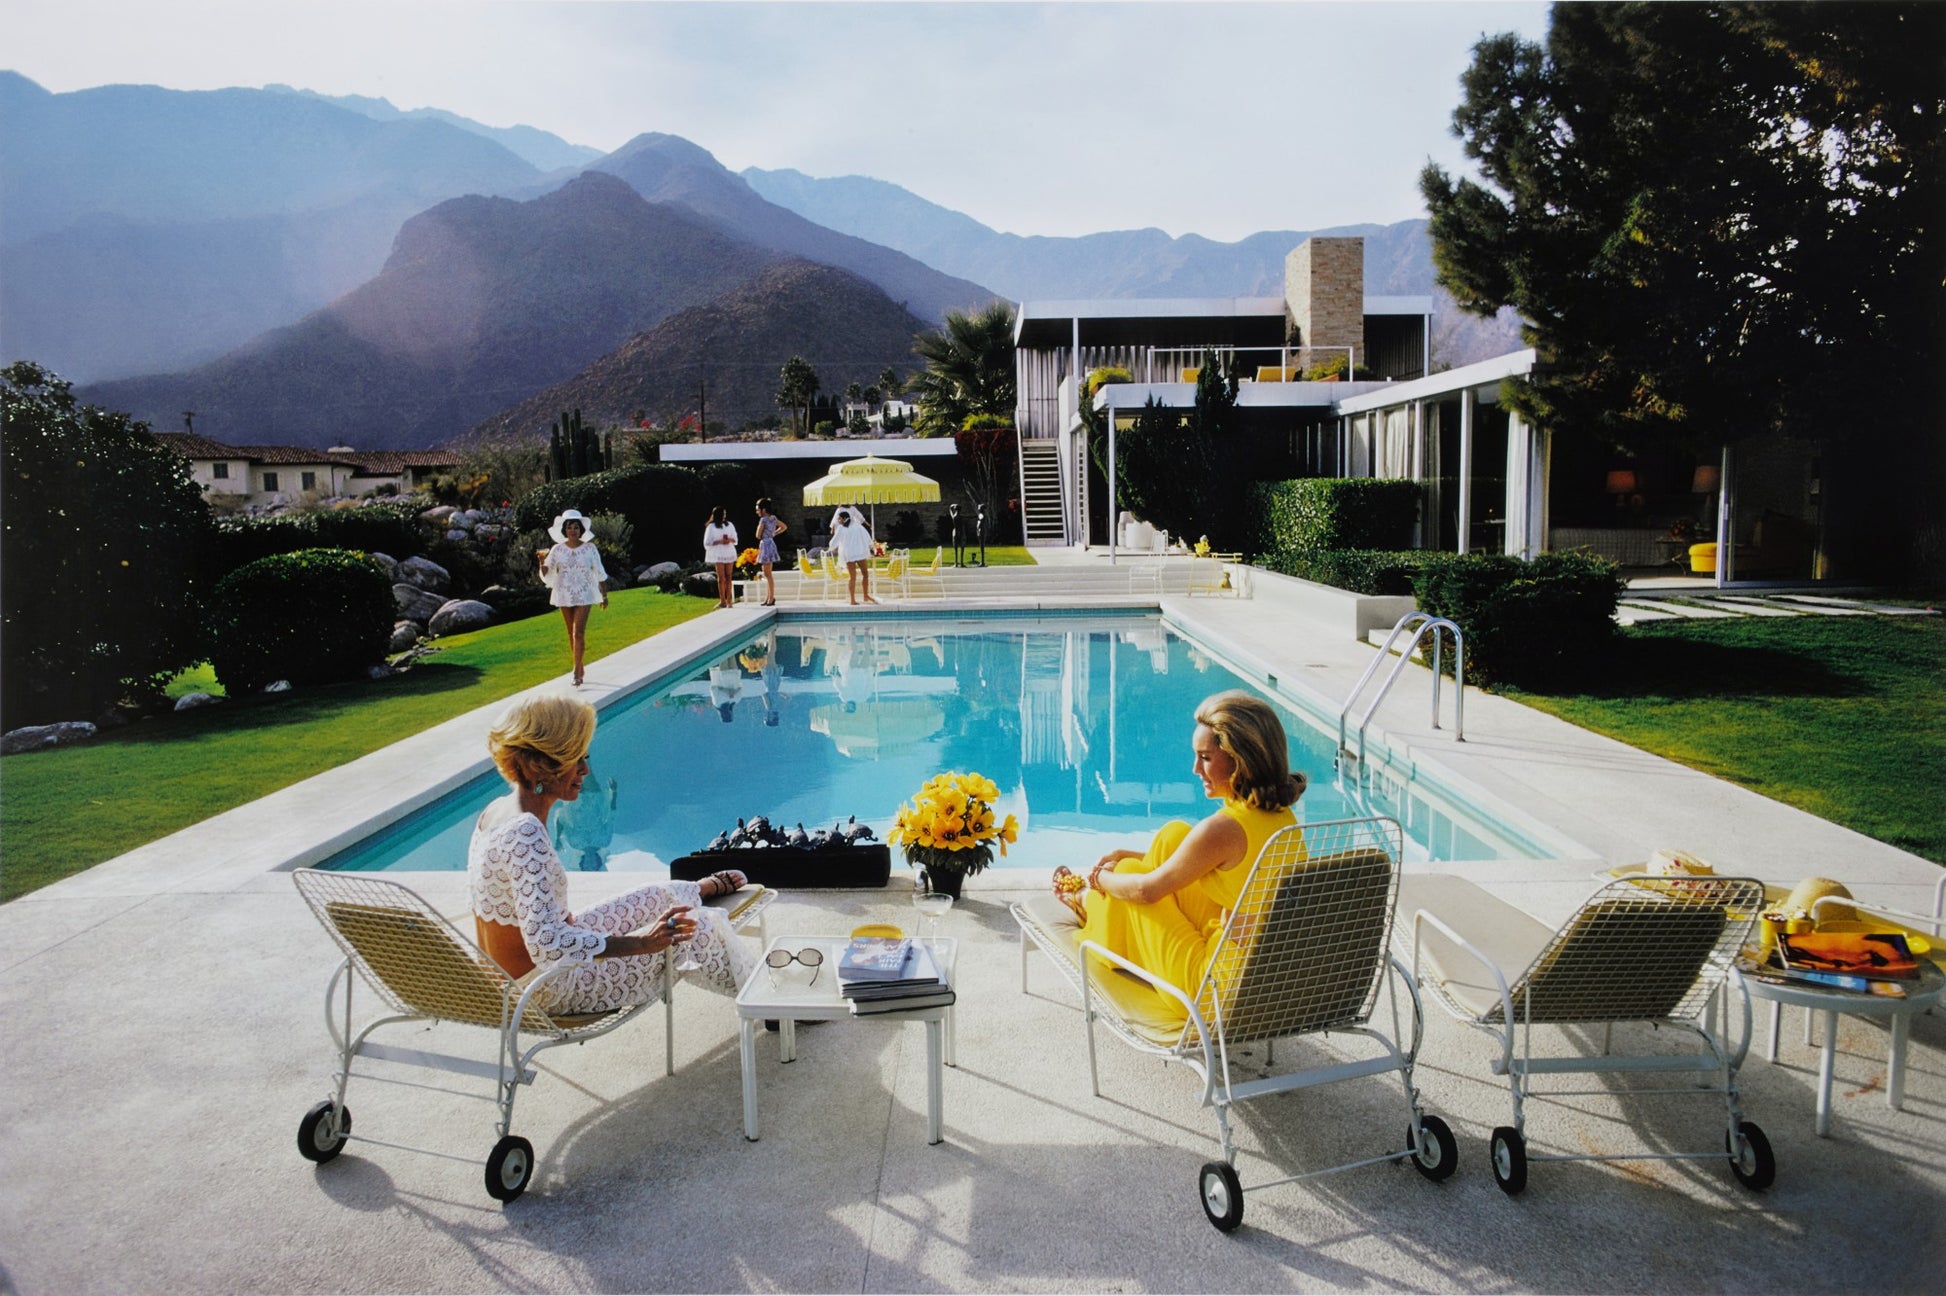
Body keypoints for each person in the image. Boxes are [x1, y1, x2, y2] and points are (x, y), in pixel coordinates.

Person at [468, 692, 755, 1014]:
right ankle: (768, 1002)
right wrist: (642, 943)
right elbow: (547, 944)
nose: (585, 770)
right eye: (576, 759)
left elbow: (527, 919)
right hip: (545, 987)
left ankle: (694, 890)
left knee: (655, 896)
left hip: (513, 975)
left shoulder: (497, 811)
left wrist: (565, 923)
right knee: (696, 930)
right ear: (543, 766)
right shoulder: (526, 831)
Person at [1051, 691, 1306, 1012]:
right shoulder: (1280, 817)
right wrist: (1130, 855)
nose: (1195, 769)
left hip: (1211, 991)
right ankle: (1106, 912)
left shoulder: (1224, 829)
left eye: (1206, 757)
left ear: (1240, 760)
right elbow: (1196, 861)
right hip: (1261, 975)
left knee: (1129, 874)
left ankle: (1090, 903)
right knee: (1173, 836)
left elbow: (1145, 891)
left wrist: (1100, 879)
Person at [537, 509, 609, 687]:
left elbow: (599, 572)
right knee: (571, 633)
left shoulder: (590, 549)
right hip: (564, 593)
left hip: (585, 593)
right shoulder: (557, 550)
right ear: (564, 530)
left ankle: (576, 672)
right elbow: (547, 573)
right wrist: (541, 562)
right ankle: (579, 664)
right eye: (569, 527)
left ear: (581, 529)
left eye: (576, 527)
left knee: (578, 632)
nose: (573, 530)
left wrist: (604, 595)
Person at [829, 509, 878, 605]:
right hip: (860, 553)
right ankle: (865, 595)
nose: (838, 520)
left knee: (853, 577)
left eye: (839, 519)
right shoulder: (857, 526)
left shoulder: (841, 529)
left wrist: (831, 548)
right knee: (865, 575)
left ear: (844, 519)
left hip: (849, 555)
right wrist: (871, 546)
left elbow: (833, 542)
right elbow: (867, 537)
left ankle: (853, 599)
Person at [753, 499, 788, 606]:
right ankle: (768, 597)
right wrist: (774, 533)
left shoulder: (763, 520)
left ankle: (771, 597)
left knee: (767, 574)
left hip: (765, 544)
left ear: (763, 510)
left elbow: (758, 535)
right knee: (767, 573)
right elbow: (784, 527)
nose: (757, 512)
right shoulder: (773, 518)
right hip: (771, 543)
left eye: (758, 510)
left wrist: (767, 532)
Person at [703, 506, 739, 609]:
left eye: (725, 513)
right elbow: (707, 542)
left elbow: (735, 539)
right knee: (721, 578)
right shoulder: (711, 527)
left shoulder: (729, 525)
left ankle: (729, 601)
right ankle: (722, 601)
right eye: (723, 514)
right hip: (718, 554)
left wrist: (729, 540)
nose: (724, 516)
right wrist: (720, 541)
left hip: (728, 552)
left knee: (729, 577)